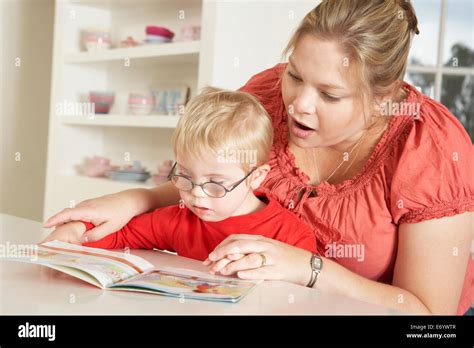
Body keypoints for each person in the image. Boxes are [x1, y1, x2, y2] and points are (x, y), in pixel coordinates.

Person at [44, 0, 473, 315]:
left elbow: (428, 316)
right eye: (295, 74)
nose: (298, 104)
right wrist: (134, 199)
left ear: (383, 98)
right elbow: (215, 176)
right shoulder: (267, 94)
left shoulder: (430, 148)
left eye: (329, 94)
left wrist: (307, 268)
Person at [41, 87, 317, 263]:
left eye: (215, 183)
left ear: (256, 177)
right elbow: (121, 233)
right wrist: (76, 231)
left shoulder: (290, 235)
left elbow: (306, 294)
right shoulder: (180, 218)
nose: (196, 193)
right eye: (185, 176)